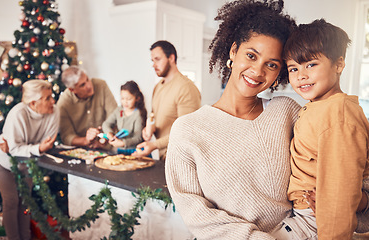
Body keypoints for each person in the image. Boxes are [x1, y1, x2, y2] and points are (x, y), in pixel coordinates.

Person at [165, 0, 302, 239]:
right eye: (251, 56)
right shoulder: (188, 130)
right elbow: (195, 212)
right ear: (233, 51)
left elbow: (333, 155)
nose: (258, 71)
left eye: (271, 65)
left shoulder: (286, 112)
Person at [279, 19, 369, 240]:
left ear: (338, 65)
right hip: (303, 214)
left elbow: (342, 187)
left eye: (311, 64)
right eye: (293, 68)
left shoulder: (338, 112)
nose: (301, 75)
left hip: (316, 219)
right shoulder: (318, 106)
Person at [0, 80, 59, 240]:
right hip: (3, 160)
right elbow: (14, 149)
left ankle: (26, 237)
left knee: (26, 202)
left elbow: (48, 142)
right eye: (47, 98)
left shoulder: (54, 111)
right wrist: (37, 149)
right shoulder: (18, 114)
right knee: (11, 202)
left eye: (51, 96)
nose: (53, 101)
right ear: (33, 103)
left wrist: (38, 149)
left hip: (27, 162)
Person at [132, 40, 201, 160]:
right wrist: (148, 130)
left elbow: (186, 132)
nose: (154, 65)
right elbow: (154, 118)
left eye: (157, 59)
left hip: (181, 158)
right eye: (152, 61)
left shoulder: (186, 88)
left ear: (171, 58)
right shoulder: (158, 87)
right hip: (163, 158)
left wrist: (154, 145)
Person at [57, 65, 117, 149]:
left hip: (109, 145)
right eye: (82, 85)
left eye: (87, 80)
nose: (89, 86)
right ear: (72, 90)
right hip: (81, 151)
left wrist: (103, 140)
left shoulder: (101, 85)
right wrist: (86, 140)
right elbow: (67, 137)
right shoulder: (63, 104)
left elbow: (115, 116)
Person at [102, 80, 147, 154]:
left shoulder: (138, 114)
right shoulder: (119, 110)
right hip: (121, 150)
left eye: (129, 99)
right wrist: (109, 133)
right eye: (122, 98)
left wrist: (123, 143)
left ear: (137, 98)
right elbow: (106, 124)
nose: (125, 102)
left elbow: (138, 138)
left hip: (135, 151)